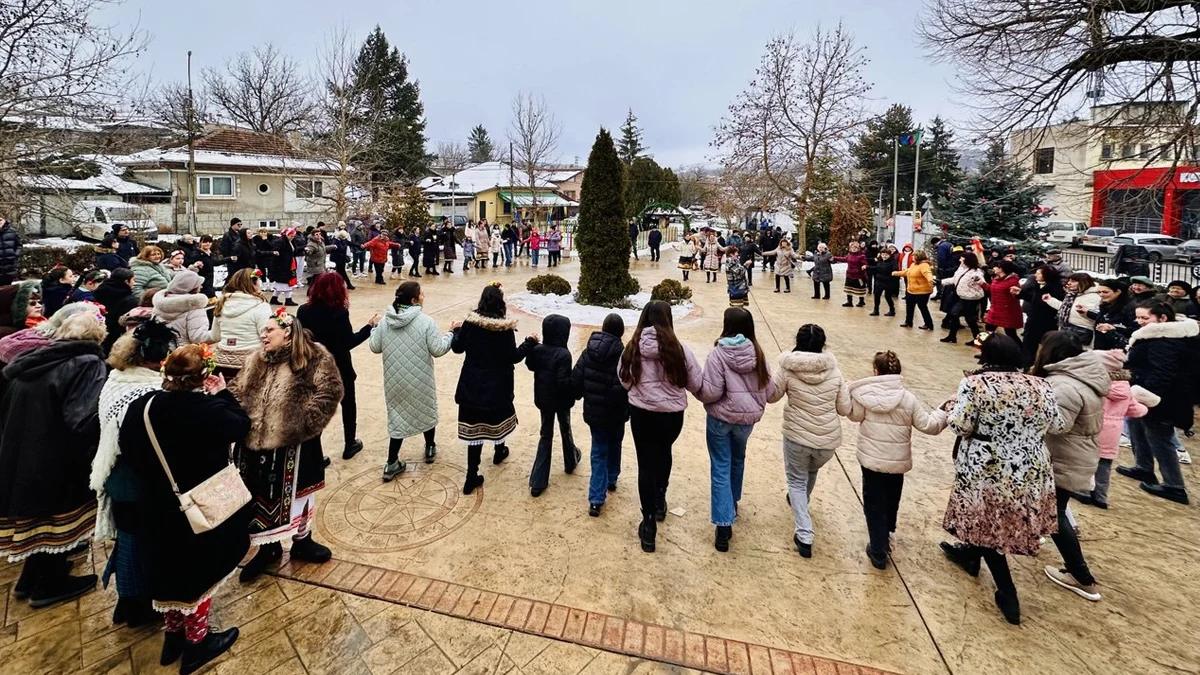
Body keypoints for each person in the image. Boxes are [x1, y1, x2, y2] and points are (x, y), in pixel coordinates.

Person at [119, 345, 248, 673]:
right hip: (196, 505)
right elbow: (239, 427)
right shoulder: (206, 409)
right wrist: (223, 395)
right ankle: (197, 643)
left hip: (154, 504)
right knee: (198, 572)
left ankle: (172, 635)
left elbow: (129, 451)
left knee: (166, 570)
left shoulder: (141, 408)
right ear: (203, 376)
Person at [939, 334, 1064, 625]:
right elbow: (1057, 425)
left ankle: (1007, 592)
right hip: (1031, 462)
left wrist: (949, 408)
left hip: (989, 463)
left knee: (988, 521)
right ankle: (970, 554)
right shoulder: (1041, 384)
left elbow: (961, 424)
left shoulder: (975, 384)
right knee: (998, 518)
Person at [0, 309, 108, 609]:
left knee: (38, 517)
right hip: (55, 455)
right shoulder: (86, 364)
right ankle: (49, 583)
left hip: (21, 450)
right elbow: (82, 420)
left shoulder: (34, 359)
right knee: (56, 517)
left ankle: (30, 576)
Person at [230, 310, 343, 581]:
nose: (263, 335)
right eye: (264, 330)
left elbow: (330, 392)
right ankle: (267, 548)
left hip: (296, 446)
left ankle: (302, 541)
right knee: (259, 495)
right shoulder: (256, 359)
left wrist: (303, 425)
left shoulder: (315, 357)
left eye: (269, 330)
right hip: (254, 446)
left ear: (288, 332)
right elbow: (237, 388)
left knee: (301, 494)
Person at [90, 320, 175, 628]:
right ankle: (137, 603)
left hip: (114, 470)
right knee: (139, 540)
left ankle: (127, 600)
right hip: (137, 478)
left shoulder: (117, 379)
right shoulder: (148, 392)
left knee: (129, 536)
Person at [842, 350, 946, 569]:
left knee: (873, 502)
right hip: (897, 461)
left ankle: (878, 549)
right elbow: (929, 425)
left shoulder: (865, 396)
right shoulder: (908, 399)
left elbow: (854, 416)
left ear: (875, 371)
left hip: (871, 460)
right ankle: (887, 531)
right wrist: (943, 412)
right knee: (891, 498)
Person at [620, 300, 703, 553]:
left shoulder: (632, 348)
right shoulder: (680, 350)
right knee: (664, 452)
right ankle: (660, 500)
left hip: (642, 414)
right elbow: (696, 382)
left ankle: (648, 526)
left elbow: (624, 380)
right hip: (671, 416)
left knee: (646, 463)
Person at [1028, 332, 1107, 602]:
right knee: (1051, 509)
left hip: (1063, 457)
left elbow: (1057, 425)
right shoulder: (1085, 375)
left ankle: (1081, 576)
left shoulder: (1064, 386)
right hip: (1075, 454)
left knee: (1055, 514)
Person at [696, 308, 774, 552]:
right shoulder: (758, 354)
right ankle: (733, 502)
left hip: (720, 419)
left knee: (720, 465)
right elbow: (770, 392)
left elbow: (711, 392)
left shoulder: (718, 354)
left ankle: (723, 524)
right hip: (746, 421)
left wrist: (700, 392)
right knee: (738, 458)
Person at [767, 324, 847, 558]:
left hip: (797, 435)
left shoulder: (788, 367)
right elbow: (844, 408)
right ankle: (799, 503)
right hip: (827, 440)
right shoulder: (834, 370)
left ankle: (804, 532)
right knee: (809, 473)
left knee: (796, 479)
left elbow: (772, 396)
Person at [451, 284, 537, 493]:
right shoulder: (504, 329)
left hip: (471, 386)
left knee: (474, 431)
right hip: (497, 387)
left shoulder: (471, 325)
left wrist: (457, 330)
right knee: (497, 422)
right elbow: (513, 357)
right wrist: (530, 342)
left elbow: (457, 347)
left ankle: (471, 476)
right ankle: (499, 451)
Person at [370, 282, 454, 480]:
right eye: (421, 294)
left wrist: (373, 329)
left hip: (394, 380)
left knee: (397, 417)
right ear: (414, 300)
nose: (424, 297)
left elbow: (375, 347)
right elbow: (438, 349)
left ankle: (392, 462)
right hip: (420, 379)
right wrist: (451, 333)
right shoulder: (425, 321)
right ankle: (430, 447)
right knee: (425, 409)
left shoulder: (385, 321)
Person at [1116, 302, 1197, 505]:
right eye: (1138, 317)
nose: (1140, 322)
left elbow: (1164, 373)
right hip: (1143, 390)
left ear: (1162, 319)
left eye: (1145, 318)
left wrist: (1148, 394)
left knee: (1160, 437)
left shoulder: (1166, 340)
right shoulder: (1153, 335)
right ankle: (1143, 467)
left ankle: (1174, 485)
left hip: (1161, 398)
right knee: (1137, 426)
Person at [297, 272, 379, 461]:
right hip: (339, 366)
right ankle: (349, 444)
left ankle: (316, 457)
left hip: (314, 367)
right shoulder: (339, 312)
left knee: (317, 409)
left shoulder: (303, 311)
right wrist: (369, 327)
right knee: (348, 404)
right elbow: (347, 342)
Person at [572, 313, 628, 517]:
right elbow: (626, 387)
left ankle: (596, 498)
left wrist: (576, 394)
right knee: (615, 445)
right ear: (621, 332)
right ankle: (611, 478)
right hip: (616, 414)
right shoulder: (624, 355)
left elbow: (576, 381)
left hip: (595, 413)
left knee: (598, 451)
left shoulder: (588, 352)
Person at [1086, 350, 1151, 509]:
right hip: (1113, 433)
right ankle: (1101, 497)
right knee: (1105, 465)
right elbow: (1135, 410)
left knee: (1087, 462)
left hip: (1094, 428)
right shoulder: (1126, 389)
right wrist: (1145, 407)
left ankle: (1083, 491)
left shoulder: (1095, 386)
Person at [526, 314, 581, 497]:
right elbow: (563, 383)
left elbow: (531, 365)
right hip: (561, 401)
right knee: (565, 428)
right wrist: (575, 386)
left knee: (545, 435)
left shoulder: (538, 350)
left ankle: (538, 481)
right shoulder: (564, 354)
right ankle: (570, 460)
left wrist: (532, 346)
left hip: (544, 400)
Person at [211, 269, 271, 377]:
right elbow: (266, 336)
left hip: (221, 363)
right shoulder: (261, 306)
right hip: (250, 363)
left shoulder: (221, 304)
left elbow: (215, 336)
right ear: (254, 283)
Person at [1018, 265, 1066, 364]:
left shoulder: (1056, 288)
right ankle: (1027, 364)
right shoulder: (1036, 285)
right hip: (1032, 321)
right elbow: (1031, 298)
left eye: (1039, 273)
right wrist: (1020, 293)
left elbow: (1058, 306)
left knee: (1045, 346)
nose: (1035, 275)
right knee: (1028, 344)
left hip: (1047, 322)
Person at [151, 270, 213, 346]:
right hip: (183, 353)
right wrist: (218, 333)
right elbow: (198, 338)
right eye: (199, 284)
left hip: (159, 350)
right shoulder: (194, 306)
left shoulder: (160, 303)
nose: (201, 286)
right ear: (192, 287)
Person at [941, 254, 986, 343]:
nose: (960, 260)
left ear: (967, 260)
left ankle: (977, 340)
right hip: (961, 297)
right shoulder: (961, 269)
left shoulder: (976, 272)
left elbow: (982, 282)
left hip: (971, 299)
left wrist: (977, 280)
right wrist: (941, 282)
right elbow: (955, 279)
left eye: (962, 259)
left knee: (970, 319)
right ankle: (952, 336)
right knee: (954, 314)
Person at [1045, 272, 1099, 345]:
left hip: (1081, 330)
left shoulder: (1093, 297)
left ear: (1083, 283)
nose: (1069, 283)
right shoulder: (1073, 295)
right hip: (1066, 327)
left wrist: (1085, 311)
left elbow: (1094, 314)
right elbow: (1065, 308)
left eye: (1073, 281)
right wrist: (1050, 300)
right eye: (1069, 281)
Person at [1083, 278, 1136, 350]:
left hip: (1117, 351)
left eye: (1105, 292)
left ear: (1118, 291)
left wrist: (1113, 328)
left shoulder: (1130, 308)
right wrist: (1089, 312)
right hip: (1101, 348)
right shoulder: (1106, 305)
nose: (1101, 295)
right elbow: (1104, 319)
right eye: (1099, 292)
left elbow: (1133, 329)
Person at [95, 268, 139, 353]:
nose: (135, 283)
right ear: (126, 282)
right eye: (133, 280)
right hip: (115, 337)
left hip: (99, 331)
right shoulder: (130, 300)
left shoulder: (100, 291)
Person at [982, 260, 1023, 348]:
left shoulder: (1012, 281)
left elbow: (1017, 295)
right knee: (988, 330)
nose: (994, 268)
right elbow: (993, 289)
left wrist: (1016, 293)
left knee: (1010, 333)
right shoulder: (996, 279)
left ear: (1002, 269)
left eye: (996, 266)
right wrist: (982, 284)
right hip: (995, 309)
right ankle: (985, 351)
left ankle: (1021, 351)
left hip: (1008, 311)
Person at [894, 250, 935, 329]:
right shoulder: (913, 264)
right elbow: (907, 272)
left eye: (914, 256)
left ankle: (929, 324)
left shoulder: (924, 265)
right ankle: (908, 322)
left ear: (918, 257)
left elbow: (927, 273)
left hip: (922, 291)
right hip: (911, 290)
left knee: (922, 307)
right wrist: (896, 273)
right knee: (909, 306)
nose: (912, 257)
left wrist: (930, 280)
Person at [268, 228, 299, 306]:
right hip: (282, 266)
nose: (292, 237)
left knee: (280, 284)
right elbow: (276, 252)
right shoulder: (280, 242)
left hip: (289, 264)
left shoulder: (290, 242)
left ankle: (274, 299)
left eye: (293, 236)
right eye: (291, 236)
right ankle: (288, 300)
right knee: (286, 283)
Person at [833, 242, 869, 307]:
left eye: (855, 248)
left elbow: (865, 263)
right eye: (852, 248)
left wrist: (864, 266)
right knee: (848, 288)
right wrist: (834, 258)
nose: (854, 249)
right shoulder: (849, 255)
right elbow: (844, 259)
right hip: (849, 274)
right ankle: (849, 302)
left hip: (858, 275)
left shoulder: (861, 256)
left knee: (860, 289)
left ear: (858, 248)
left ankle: (861, 301)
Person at [868, 246, 899, 316]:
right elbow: (876, 268)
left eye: (886, 255)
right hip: (879, 281)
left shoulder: (893, 262)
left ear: (889, 255)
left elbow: (895, 270)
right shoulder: (880, 261)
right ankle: (876, 310)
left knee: (887, 297)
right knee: (877, 296)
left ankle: (892, 310)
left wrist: (893, 274)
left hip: (888, 282)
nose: (884, 256)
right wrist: (867, 267)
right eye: (882, 254)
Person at [0, 217, 21, 286]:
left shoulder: (12, 231)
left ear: (4, 220)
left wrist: (15, 255)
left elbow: (19, 245)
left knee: (7, 290)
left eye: (0, 220)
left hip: (9, 266)